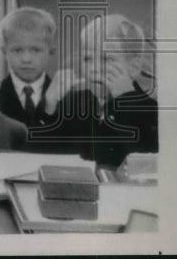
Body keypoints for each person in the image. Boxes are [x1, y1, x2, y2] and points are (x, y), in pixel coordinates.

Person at [39, 14, 158, 167]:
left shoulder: (150, 111)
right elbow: (44, 154)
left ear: (134, 67)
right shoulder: (75, 102)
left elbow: (145, 163)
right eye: (87, 59)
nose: (93, 69)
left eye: (107, 59)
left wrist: (126, 101)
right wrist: (49, 106)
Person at [0, 7, 56, 131]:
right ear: (4, 52)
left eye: (35, 50)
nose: (26, 59)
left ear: (51, 52)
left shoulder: (65, 98)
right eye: (17, 50)